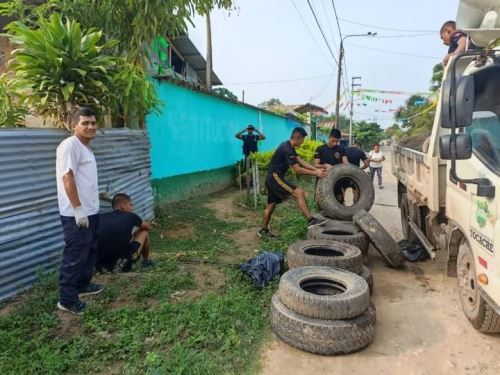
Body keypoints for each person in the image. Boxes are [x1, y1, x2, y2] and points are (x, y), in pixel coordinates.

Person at [56, 106, 104, 315]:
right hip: (76, 213)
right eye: (85, 123)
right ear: (73, 125)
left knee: (89, 250)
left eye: (93, 123)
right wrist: (77, 209)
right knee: (74, 255)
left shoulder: (86, 147)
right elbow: (68, 178)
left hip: (91, 211)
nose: (90, 126)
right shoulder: (70, 146)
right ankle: (67, 300)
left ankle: (83, 285)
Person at [258, 127, 328, 238]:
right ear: (298, 138)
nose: (303, 142)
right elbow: (297, 170)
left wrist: (315, 170)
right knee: (299, 192)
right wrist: (316, 173)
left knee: (271, 205)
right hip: (275, 177)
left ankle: (263, 229)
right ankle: (310, 220)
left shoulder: (288, 145)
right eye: (303, 139)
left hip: (272, 177)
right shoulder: (287, 149)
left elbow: (300, 160)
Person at [96, 193, 153, 273]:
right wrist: (135, 233)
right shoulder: (131, 216)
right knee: (144, 231)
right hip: (123, 265)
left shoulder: (100, 218)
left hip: (100, 267)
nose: (132, 209)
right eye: (130, 205)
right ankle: (146, 261)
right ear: (122, 205)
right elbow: (147, 227)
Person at [314, 129, 348, 203]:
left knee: (339, 202)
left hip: (337, 179)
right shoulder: (320, 149)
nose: (335, 143)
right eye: (333, 141)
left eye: (337, 141)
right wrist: (325, 165)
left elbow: (345, 162)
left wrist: (347, 167)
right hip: (323, 178)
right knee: (321, 202)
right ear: (329, 137)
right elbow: (316, 165)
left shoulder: (341, 149)